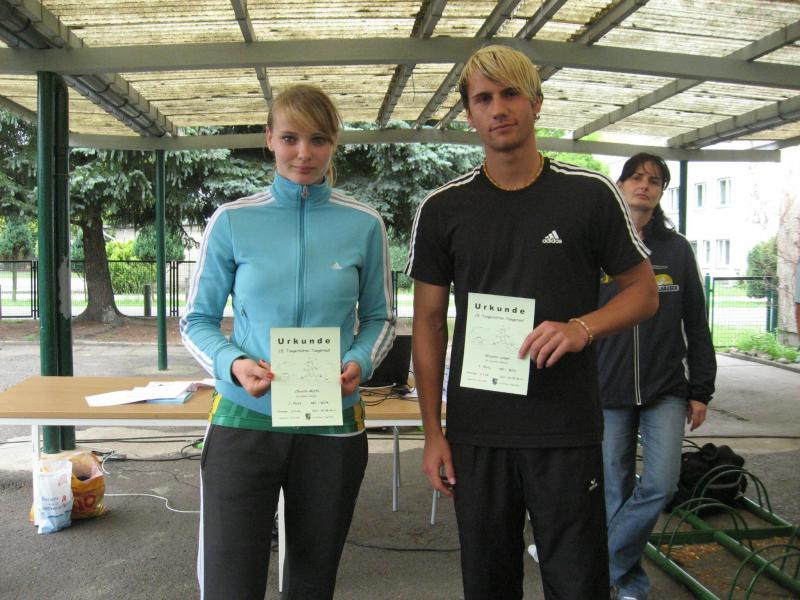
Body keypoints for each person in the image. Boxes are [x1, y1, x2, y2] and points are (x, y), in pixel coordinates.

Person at [406, 45, 659, 600]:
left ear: (536, 103)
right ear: (469, 114)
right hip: (478, 433)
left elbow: (644, 294)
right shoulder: (443, 209)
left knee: (577, 584)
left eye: (511, 94)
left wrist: (581, 328)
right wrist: (433, 433)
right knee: (488, 584)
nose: (498, 109)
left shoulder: (588, 195)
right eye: (483, 98)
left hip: (564, 430)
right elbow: (428, 324)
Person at [180, 84, 395, 600]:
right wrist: (233, 364)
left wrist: (359, 361)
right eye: (291, 138)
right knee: (230, 580)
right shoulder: (233, 220)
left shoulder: (364, 224)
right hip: (243, 421)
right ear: (269, 138)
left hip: (331, 424)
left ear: (334, 143)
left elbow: (381, 318)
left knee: (313, 580)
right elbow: (196, 321)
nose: (304, 153)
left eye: (319, 139)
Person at [598, 153, 717, 600]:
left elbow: (696, 322)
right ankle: (629, 582)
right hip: (607, 388)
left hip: (665, 388)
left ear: (662, 192)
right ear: (621, 185)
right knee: (614, 488)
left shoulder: (676, 249)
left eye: (654, 180)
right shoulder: (597, 246)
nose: (644, 185)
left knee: (661, 484)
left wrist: (701, 388)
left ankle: (597, 565)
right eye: (635, 177)